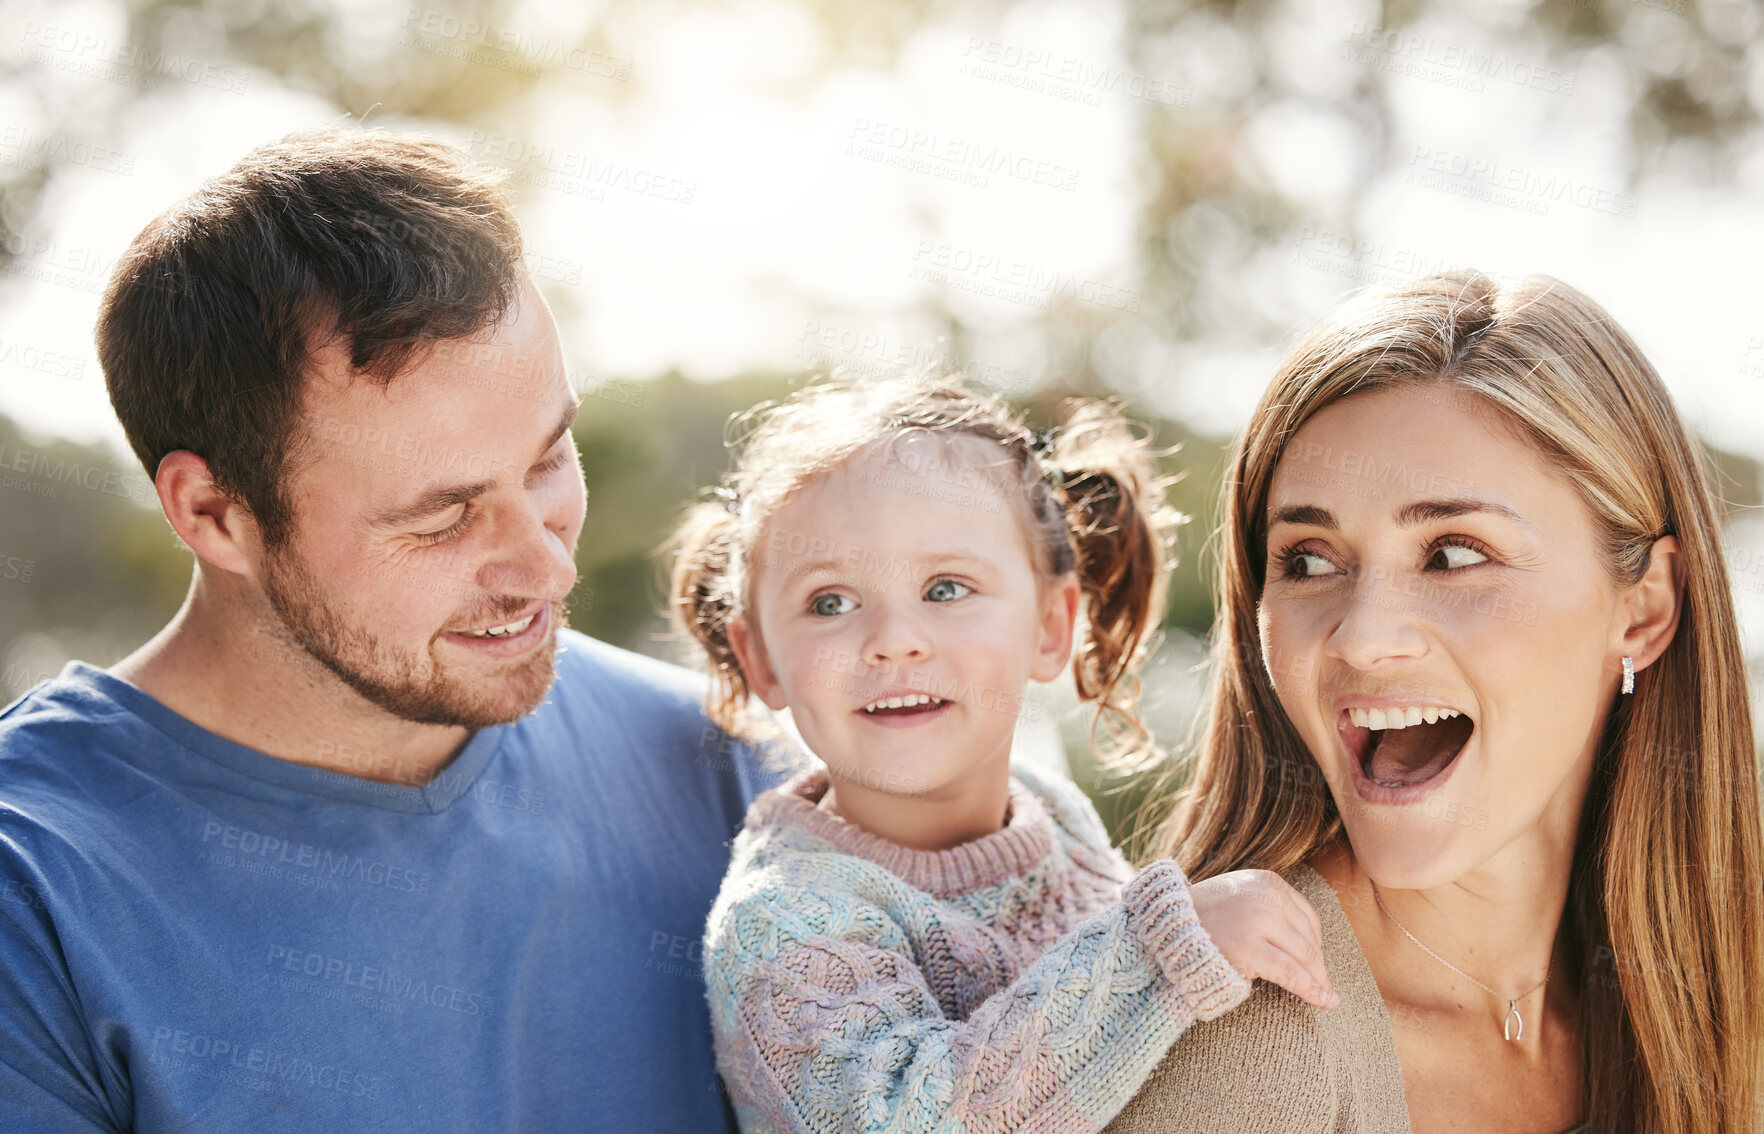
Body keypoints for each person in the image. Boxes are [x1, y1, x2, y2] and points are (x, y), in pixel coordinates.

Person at [0, 129, 778, 1132]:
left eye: (548, 460)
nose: (546, 566)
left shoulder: (728, 771)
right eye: (440, 518)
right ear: (215, 515)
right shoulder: (35, 895)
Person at [1107, 271, 1764, 1133]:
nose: (1360, 636)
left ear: (1642, 612)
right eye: (1307, 559)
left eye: (1453, 554)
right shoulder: (1247, 1049)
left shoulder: (1713, 1009)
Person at [669, 377, 1339, 1133]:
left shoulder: (1056, 815)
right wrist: (1163, 950)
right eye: (831, 602)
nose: (894, 637)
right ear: (760, 660)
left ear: (1052, 627)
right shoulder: (783, 922)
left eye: (947, 588)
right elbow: (911, 1120)